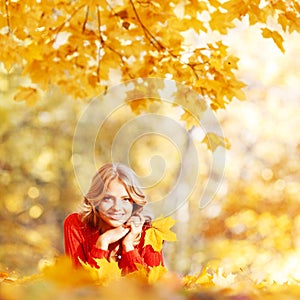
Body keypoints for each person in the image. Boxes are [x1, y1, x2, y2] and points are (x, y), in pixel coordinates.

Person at [64, 162, 163, 274]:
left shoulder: (150, 233)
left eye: (125, 199)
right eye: (107, 198)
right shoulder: (76, 225)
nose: (116, 207)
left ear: (134, 202)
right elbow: (78, 286)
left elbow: (152, 288)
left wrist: (129, 246)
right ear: (96, 201)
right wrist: (102, 242)